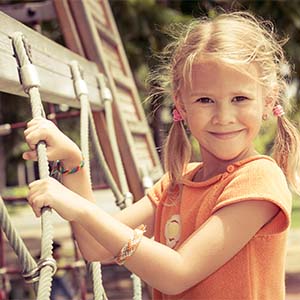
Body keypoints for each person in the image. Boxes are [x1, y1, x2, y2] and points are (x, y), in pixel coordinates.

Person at [23, 11, 300, 300]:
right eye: (205, 100)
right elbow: (95, 247)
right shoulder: (177, 184)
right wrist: (74, 164)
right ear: (181, 102)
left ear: (268, 102)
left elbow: (176, 274)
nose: (224, 117)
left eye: (240, 99)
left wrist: (82, 209)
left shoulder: (258, 179)